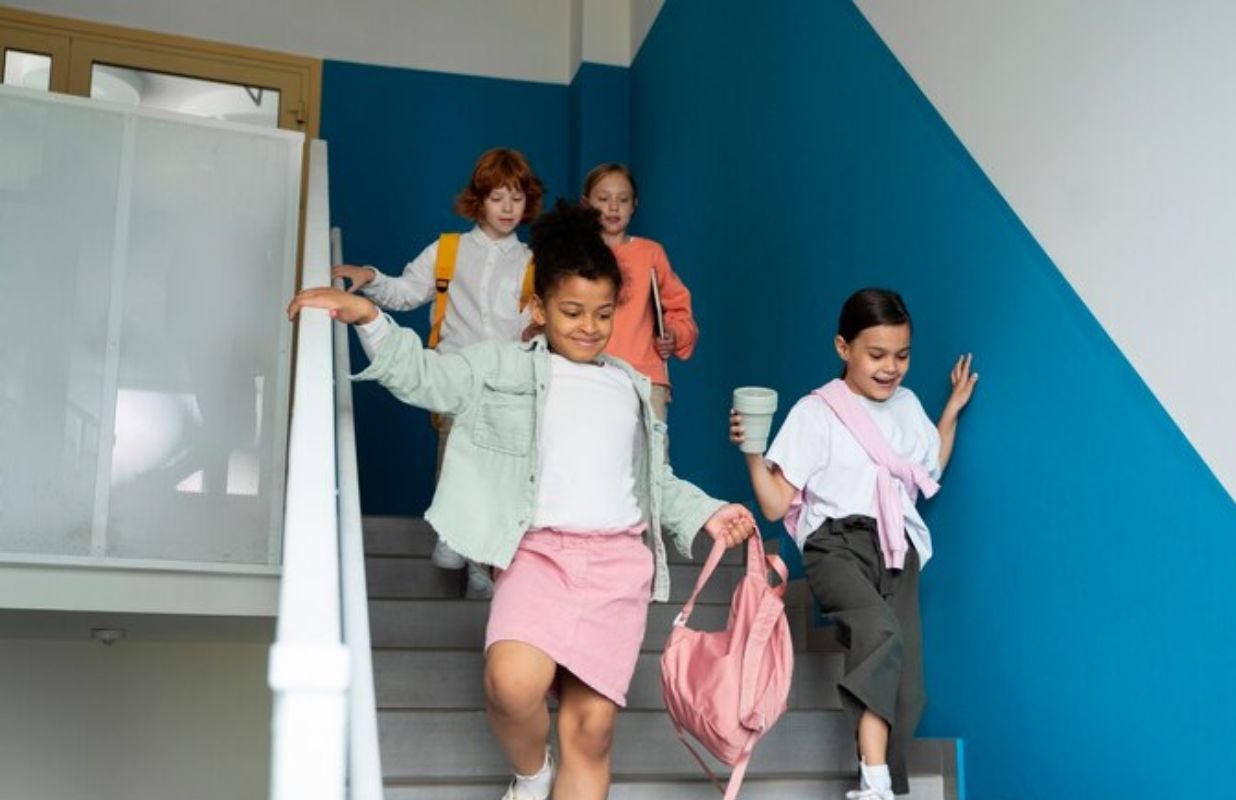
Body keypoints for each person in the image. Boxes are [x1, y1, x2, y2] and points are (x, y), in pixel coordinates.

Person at [290, 201, 757, 800]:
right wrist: (368, 318)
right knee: (511, 684)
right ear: (538, 308)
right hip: (536, 554)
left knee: (591, 730)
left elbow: (654, 481)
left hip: (617, 566)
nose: (588, 326)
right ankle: (533, 775)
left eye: (603, 313)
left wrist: (709, 511)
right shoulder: (501, 367)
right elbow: (428, 378)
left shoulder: (632, 386)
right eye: (571, 312)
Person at [729, 288, 977, 799]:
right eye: (877, 355)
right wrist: (753, 454)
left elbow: (927, 469)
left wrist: (949, 413)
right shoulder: (814, 412)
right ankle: (875, 783)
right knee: (880, 633)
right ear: (844, 348)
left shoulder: (908, 407)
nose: (891, 368)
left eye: (903, 356)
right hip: (835, 546)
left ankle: (884, 785)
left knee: (908, 688)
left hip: (896, 548)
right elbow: (776, 506)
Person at [332, 147, 544, 597]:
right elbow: (408, 292)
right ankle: (452, 533)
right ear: (478, 200)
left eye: (517, 198)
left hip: (508, 382)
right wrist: (370, 276)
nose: (508, 208)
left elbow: (540, 321)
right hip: (454, 373)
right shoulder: (447, 250)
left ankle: (480, 568)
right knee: (455, 450)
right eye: (497, 197)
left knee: (497, 470)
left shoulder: (532, 261)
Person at [581, 163, 697, 430]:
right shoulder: (576, 254)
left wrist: (674, 335)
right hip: (588, 372)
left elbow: (680, 311)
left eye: (622, 200)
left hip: (645, 377)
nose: (613, 207)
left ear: (634, 204)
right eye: (603, 199)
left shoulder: (650, 253)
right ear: (585, 204)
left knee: (651, 459)